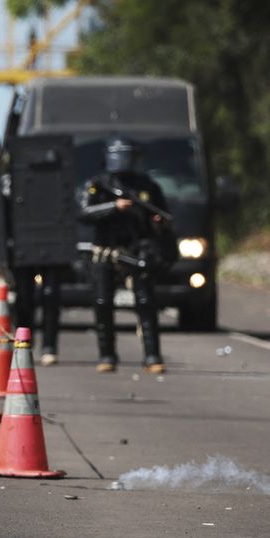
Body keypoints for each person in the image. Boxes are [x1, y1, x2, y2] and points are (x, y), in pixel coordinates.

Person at [78, 137, 175, 374]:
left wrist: (157, 223)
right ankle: (107, 356)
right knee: (102, 302)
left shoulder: (147, 186)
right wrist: (114, 207)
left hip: (136, 248)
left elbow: (163, 220)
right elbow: (84, 212)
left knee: (145, 302)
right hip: (106, 250)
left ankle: (152, 356)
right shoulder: (98, 184)